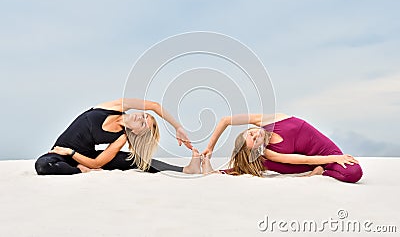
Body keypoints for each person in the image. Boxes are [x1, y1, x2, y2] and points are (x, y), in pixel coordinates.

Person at [35, 98, 201, 175]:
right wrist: (178, 127)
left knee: (136, 160)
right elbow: (154, 106)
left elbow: (97, 163)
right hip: (59, 154)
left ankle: (186, 169)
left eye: (143, 124)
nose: (140, 118)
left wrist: (70, 153)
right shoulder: (114, 107)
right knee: (42, 166)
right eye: (144, 116)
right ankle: (77, 170)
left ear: (136, 132)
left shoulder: (121, 137)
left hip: (80, 157)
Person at [201, 113, 363, 183]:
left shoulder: (268, 120)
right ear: (257, 148)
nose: (256, 135)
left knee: (354, 172)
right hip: (313, 161)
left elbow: (225, 120)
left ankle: (321, 172)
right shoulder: (268, 153)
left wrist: (210, 148)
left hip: (328, 153)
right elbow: (304, 159)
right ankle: (216, 172)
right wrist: (333, 161)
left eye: (251, 133)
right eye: (254, 141)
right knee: (262, 163)